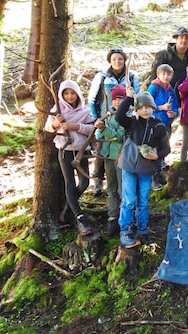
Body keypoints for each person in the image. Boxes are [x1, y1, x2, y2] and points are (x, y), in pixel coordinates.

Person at [115, 90, 170, 248]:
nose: (145, 110)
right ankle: (125, 230)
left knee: (143, 201)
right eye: (141, 107)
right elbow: (119, 116)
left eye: (148, 107)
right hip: (129, 166)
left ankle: (142, 228)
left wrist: (157, 156)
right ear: (137, 109)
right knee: (129, 200)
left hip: (147, 169)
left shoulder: (159, 126)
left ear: (153, 107)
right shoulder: (132, 122)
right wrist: (129, 99)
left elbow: (166, 148)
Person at [44, 80, 95, 236]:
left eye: (72, 93)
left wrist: (74, 126)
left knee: (84, 183)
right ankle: (80, 218)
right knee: (70, 183)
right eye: (66, 93)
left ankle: (68, 207)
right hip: (65, 151)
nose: (70, 96)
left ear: (78, 94)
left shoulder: (85, 111)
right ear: (62, 95)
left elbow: (92, 130)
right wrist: (56, 123)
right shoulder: (57, 110)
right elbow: (48, 128)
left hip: (81, 152)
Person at [88, 48, 140, 196]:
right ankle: (98, 181)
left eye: (120, 59)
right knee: (102, 151)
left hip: (124, 119)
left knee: (121, 147)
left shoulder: (130, 77)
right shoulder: (102, 76)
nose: (117, 62)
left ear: (124, 61)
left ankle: (123, 185)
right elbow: (92, 99)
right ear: (110, 61)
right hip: (105, 119)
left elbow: (137, 96)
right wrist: (96, 117)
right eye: (114, 59)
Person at [93, 84, 126, 236]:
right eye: (115, 99)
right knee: (111, 188)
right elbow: (104, 137)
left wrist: (103, 129)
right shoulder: (109, 115)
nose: (118, 102)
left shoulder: (127, 116)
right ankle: (112, 217)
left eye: (121, 99)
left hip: (121, 157)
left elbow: (118, 137)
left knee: (122, 189)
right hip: (108, 157)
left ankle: (125, 219)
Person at [148, 64, 179, 190]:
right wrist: (161, 107)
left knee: (164, 149)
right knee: (155, 149)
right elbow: (147, 103)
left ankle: (160, 174)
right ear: (158, 74)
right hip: (155, 123)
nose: (166, 77)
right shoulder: (154, 87)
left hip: (167, 122)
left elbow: (176, 104)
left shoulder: (171, 89)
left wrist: (174, 113)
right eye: (163, 74)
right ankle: (154, 178)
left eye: (168, 74)